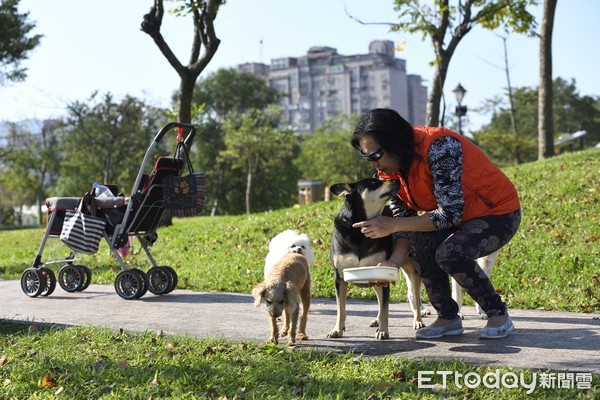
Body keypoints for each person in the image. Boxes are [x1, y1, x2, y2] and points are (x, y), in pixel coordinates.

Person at [351, 108, 521, 340]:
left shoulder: (440, 147)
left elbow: (449, 214)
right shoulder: (390, 171)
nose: (373, 165)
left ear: (395, 142)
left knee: (450, 252)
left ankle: (497, 313)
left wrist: (391, 226)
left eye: (375, 156)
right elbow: (404, 221)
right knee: (421, 241)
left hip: (499, 213)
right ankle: (447, 316)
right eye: (367, 158)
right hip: (459, 218)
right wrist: (393, 263)